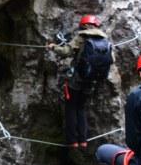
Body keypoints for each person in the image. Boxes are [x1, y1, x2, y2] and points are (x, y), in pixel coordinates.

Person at [47, 14, 112, 147]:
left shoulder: (82, 37)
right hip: (92, 80)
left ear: (84, 25)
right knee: (81, 108)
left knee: (71, 107)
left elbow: (66, 51)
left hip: (77, 79)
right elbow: (112, 60)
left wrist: (53, 47)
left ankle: (73, 141)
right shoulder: (105, 41)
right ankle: (83, 140)